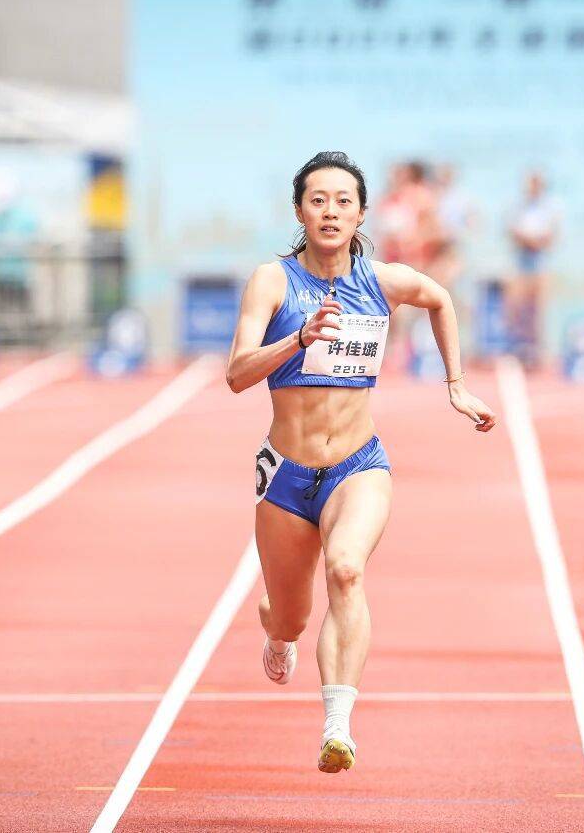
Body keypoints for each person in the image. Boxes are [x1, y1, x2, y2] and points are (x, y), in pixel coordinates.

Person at [226, 151, 496, 774]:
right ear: (300, 211)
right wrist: (297, 339)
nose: (330, 211)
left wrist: (456, 384)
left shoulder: (382, 281)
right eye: (318, 200)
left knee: (346, 569)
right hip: (287, 475)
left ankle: (337, 725)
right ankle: (276, 628)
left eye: (343, 201)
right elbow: (237, 374)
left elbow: (439, 298)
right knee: (290, 615)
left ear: (361, 214)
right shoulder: (273, 281)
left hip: (358, 465)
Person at [506, 171, 562, 366]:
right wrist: (528, 240)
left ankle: (539, 351)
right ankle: (518, 348)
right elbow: (512, 232)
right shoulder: (518, 208)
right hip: (521, 265)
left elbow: (552, 236)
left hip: (541, 266)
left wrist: (534, 241)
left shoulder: (550, 208)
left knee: (539, 311)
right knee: (516, 307)